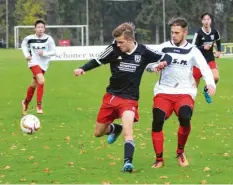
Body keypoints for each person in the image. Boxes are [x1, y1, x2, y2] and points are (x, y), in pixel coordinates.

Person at [73, 22, 172, 172]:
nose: (117, 45)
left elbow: (166, 56)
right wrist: (82, 68)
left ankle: (128, 162)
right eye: (117, 42)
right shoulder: (113, 49)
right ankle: (114, 128)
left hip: (129, 99)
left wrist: (164, 62)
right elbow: (97, 61)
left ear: (130, 39)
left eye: (121, 42)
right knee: (98, 132)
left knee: (129, 131)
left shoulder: (143, 51)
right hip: (111, 96)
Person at [146, 17, 216, 168]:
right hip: (164, 92)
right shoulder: (163, 47)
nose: (174, 35)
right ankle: (159, 159)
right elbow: (148, 64)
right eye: (172, 32)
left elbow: (205, 68)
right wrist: (155, 67)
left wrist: (210, 84)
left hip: (185, 92)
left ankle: (180, 152)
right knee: (157, 120)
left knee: (185, 118)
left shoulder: (192, 50)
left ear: (185, 32)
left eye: (177, 32)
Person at [21, 20, 56, 115]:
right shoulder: (29, 38)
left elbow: (54, 52)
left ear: (44, 29)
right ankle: (39, 105)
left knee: (33, 85)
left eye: (42, 27)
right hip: (33, 62)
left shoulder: (49, 39)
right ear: (35, 28)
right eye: (38, 27)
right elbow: (23, 45)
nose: (40, 29)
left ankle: (25, 103)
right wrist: (26, 55)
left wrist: (44, 53)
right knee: (41, 81)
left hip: (43, 65)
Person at [192, 13, 221, 103]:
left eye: (208, 19)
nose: (206, 21)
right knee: (194, 86)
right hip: (198, 61)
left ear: (211, 20)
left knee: (216, 77)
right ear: (202, 21)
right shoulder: (198, 33)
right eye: (204, 19)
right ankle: (188, 102)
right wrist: (202, 47)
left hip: (210, 59)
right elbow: (193, 47)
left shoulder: (215, 32)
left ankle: (206, 90)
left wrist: (218, 51)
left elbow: (218, 41)